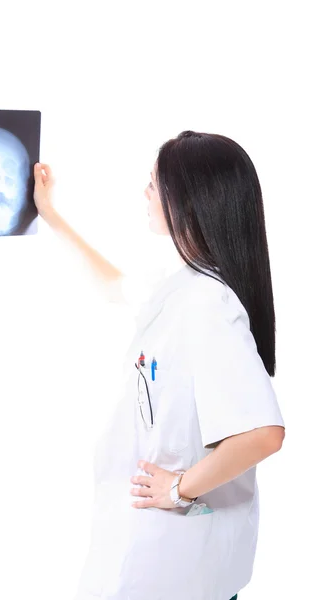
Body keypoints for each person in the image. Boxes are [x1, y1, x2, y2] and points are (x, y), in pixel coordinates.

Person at [33, 129, 285, 600]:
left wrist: (179, 489)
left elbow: (263, 434)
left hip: (182, 571)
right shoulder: (187, 285)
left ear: (187, 199)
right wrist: (52, 217)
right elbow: (115, 287)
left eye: (153, 182)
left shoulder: (209, 306)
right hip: (173, 564)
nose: (145, 192)